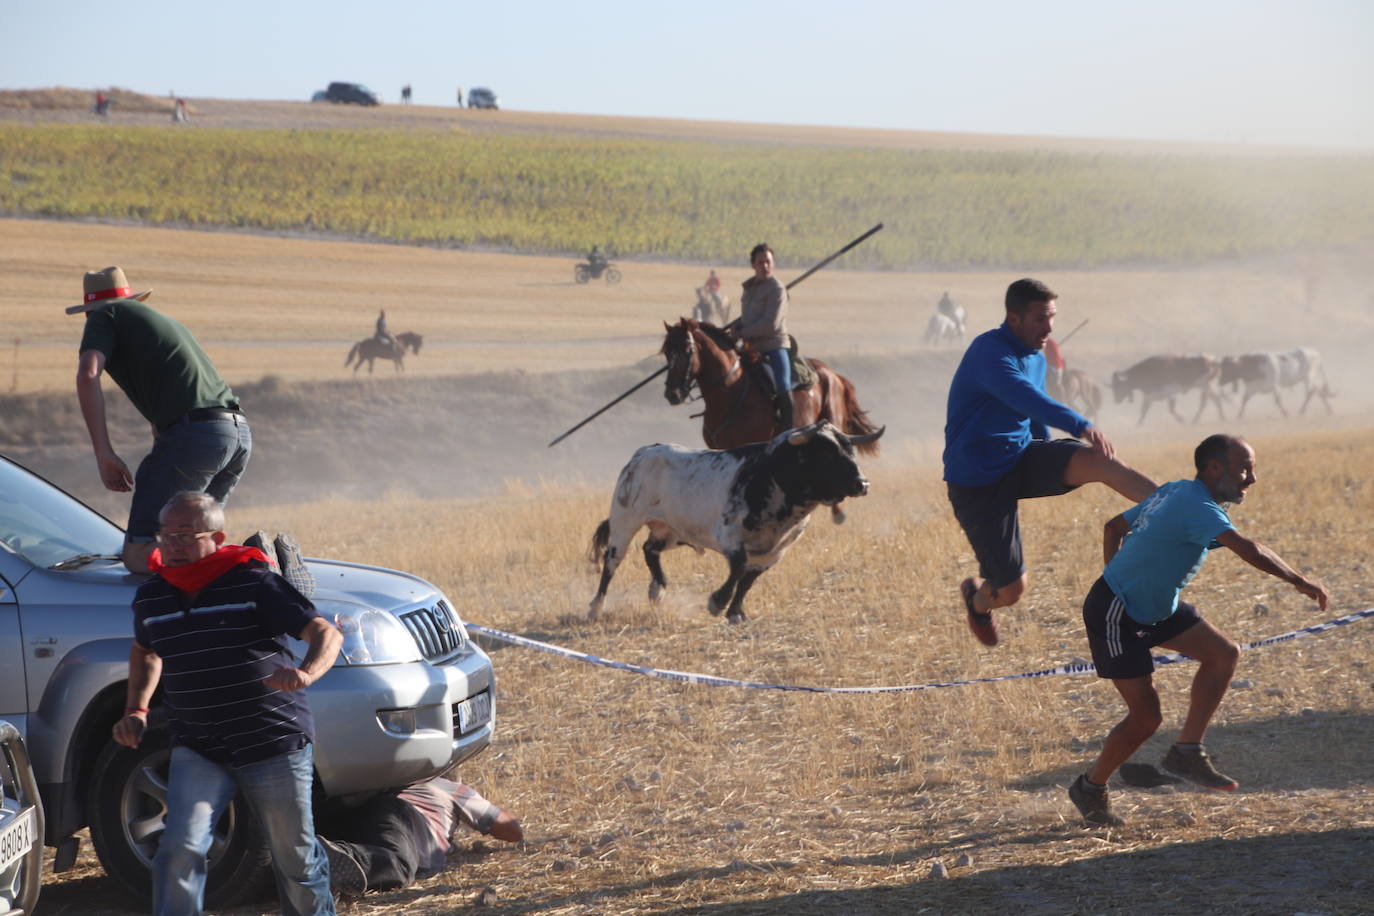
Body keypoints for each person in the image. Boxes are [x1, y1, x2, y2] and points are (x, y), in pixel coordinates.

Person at [1068, 435, 1328, 826]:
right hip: (1116, 611)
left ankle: (1186, 752)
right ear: (1214, 468)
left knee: (1223, 654)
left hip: (1157, 607)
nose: (1252, 479)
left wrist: (1121, 571)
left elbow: (1112, 528)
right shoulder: (1197, 504)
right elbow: (1249, 549)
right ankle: (1090, 787)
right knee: (1146, 718)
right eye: (1245, 468)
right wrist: (1299, 579)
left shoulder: (1176, 491)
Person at [113, 491, 343, 915]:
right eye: (165, 536)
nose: (173, 545)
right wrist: (136, 709)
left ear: (216, 538)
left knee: (294, 858)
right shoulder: (152, 596)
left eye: (185, 535)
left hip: (271, 741)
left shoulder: (254, 582)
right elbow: (146, 650)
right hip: (198, 746)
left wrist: (306, 673)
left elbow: (326, 633)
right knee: (178, 850)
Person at [944, 278, 1157, 647]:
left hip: (1021, 457)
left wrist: (1052, 448)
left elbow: (1033, 411)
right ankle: (977, 601)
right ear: (1014, 318)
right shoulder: (990, 353)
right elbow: (1026, 397)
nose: (1050, 328)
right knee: (1012, 590)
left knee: (1099, 461)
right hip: (978, 479)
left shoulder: (1037, 358)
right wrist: (1082, 424)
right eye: (1041, 318)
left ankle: (1176, 506)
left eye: (1053, 317)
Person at [70, 266, 251, 574]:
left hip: (197, 434)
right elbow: (163, 422)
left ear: (89, 311)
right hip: (236, 433)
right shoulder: (158, 324)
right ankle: (252, 572)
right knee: (195, 546)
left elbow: (88, 376)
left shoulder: (105, 314)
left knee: (141, 554)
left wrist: (104, 453)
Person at [316, 777, 522, 897]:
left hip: (353, 813)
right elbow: (511, 831)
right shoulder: (448, 786)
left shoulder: (380, 774)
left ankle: (306, 860)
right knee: (397, 865)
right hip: (396, 816)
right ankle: (333, 856)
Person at [725, 243, 793, 429]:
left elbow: (770, 325)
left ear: (773, 263)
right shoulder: (749, 288)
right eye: (761, 262)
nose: (765, 266)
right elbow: (750, 317)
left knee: (782, 385)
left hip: (774, 345)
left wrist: (742, 332)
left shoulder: (777, 289)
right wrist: (737, 324)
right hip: (750, 347)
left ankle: (789, 431)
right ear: (753, 265)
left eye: (768, 262)